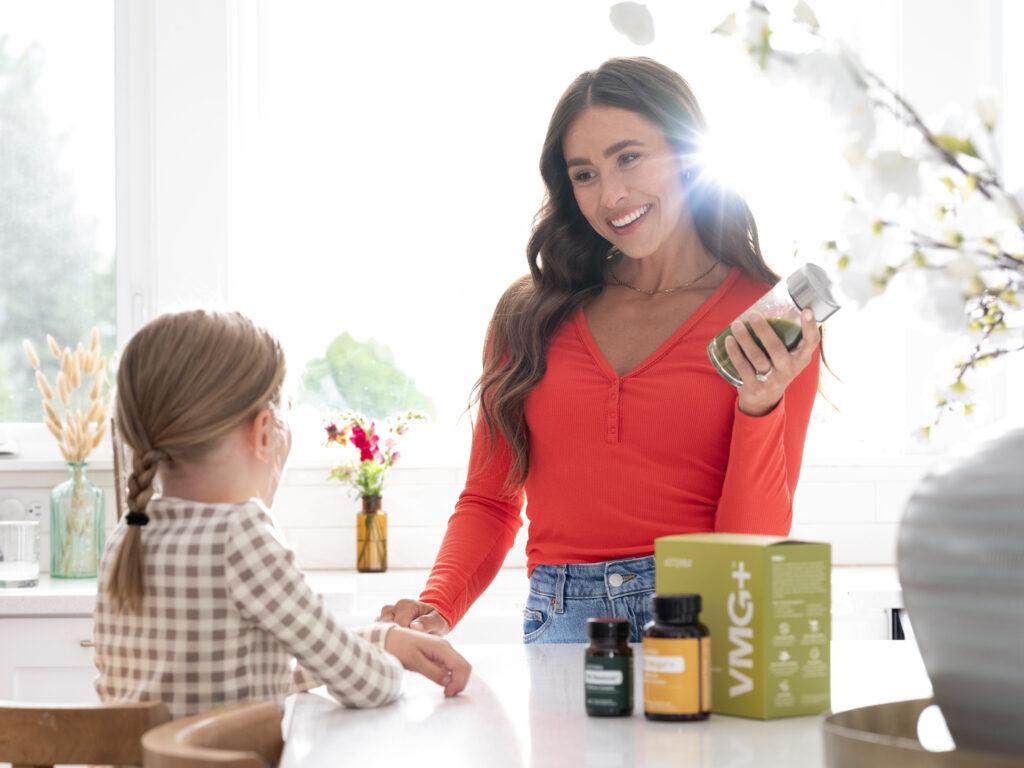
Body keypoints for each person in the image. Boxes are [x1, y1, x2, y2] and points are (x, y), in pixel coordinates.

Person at [379, 57, 821, 643]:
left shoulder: (764, 323)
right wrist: (438, 607)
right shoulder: (528, 317)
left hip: (703, 622)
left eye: (629, 157)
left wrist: (760, 406)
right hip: (563, 623)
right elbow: (490, 499)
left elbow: (751, 551)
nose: (611, 195)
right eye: (584, 174)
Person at [93, 309, 471, 717]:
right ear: (263, 432)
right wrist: (385, 665)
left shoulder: (128, 533)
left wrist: (380, 641)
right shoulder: (241, 535)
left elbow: (235, 675)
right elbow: (367, 683)